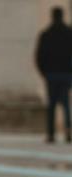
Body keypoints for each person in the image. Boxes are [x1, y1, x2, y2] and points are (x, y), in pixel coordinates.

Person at [35, 7, 72, 144]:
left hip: (51, 74)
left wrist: (44, 72)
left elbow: (39, 56)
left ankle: (51, 134)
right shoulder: (69, 33)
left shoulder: (46, 34)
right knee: (66, 104)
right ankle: (68, 131)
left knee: (51, 105)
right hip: (66, 73)